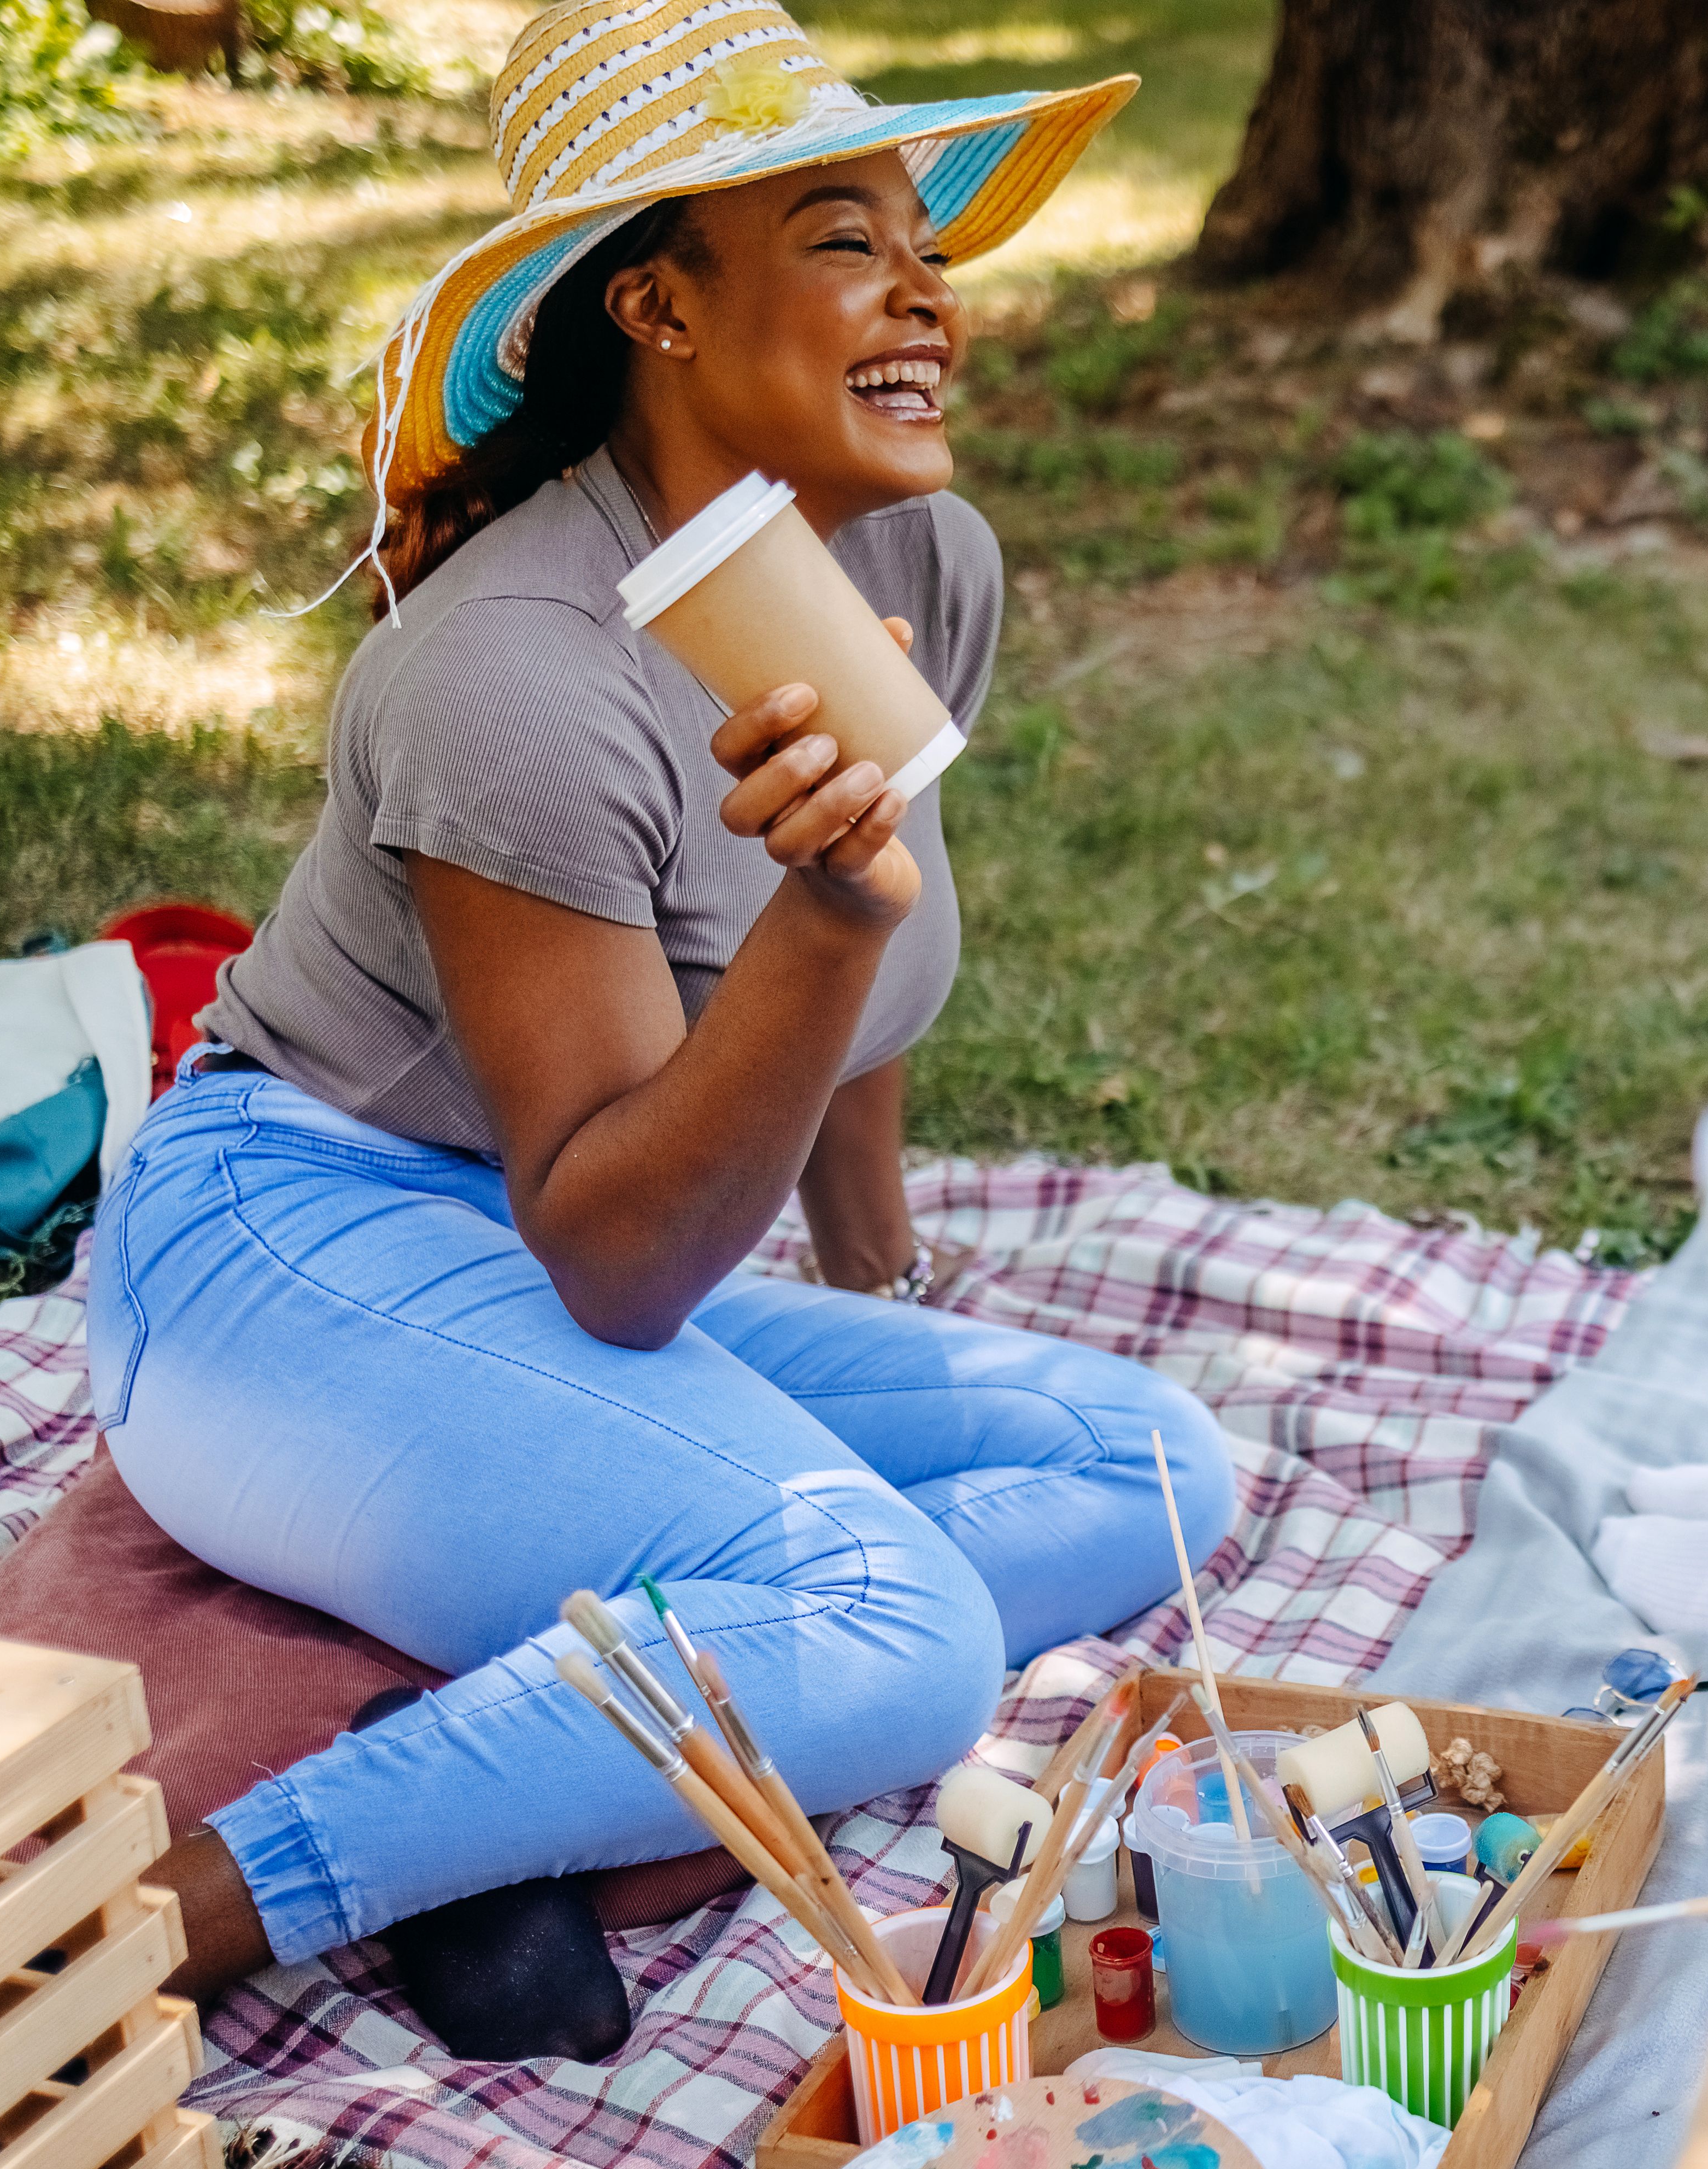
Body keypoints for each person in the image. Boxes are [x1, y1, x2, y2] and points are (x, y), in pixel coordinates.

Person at [87, 0, 1228, 2056]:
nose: (928, 292)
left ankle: (541, 1815)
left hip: (546, 1269)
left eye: (924, 238)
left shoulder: (911, 555)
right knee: (897, 1631)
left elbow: (868, 1009)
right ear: (660, 307)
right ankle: (186, 1914)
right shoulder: (509, 677)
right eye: (840, 237)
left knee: (1144, 1464)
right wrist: (825, 908)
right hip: (289, 1255)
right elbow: (618, 1261)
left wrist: (880, 1267)